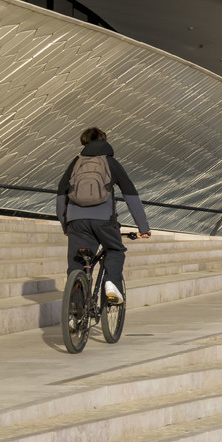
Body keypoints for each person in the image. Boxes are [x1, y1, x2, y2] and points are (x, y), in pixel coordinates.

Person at [56, 127, 152, 307]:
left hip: (77, 222)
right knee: (115, 250)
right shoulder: (110, 163)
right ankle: (111, 283)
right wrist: (143, 227)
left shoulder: (76, 163)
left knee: (77, 265)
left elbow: (61, 194)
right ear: (105, 141)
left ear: (85, 142)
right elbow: (130, 194)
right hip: (104, 221)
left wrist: (66, 225)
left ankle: (73, 315)